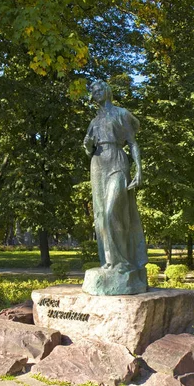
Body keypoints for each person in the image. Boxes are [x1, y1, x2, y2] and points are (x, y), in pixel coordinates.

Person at [83, 80, 147, 293]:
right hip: (98, 163)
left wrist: (139, 170)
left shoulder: (121, 114)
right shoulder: (94, 121)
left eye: (99, 89)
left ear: (108, 91)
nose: (96, 93)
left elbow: (133, 143)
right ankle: (110, 262)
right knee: (101, 215)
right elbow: (88, 147)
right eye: (93, 91)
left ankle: (124, 262)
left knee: (112, 211)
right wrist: (87, 145)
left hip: (117, 161)